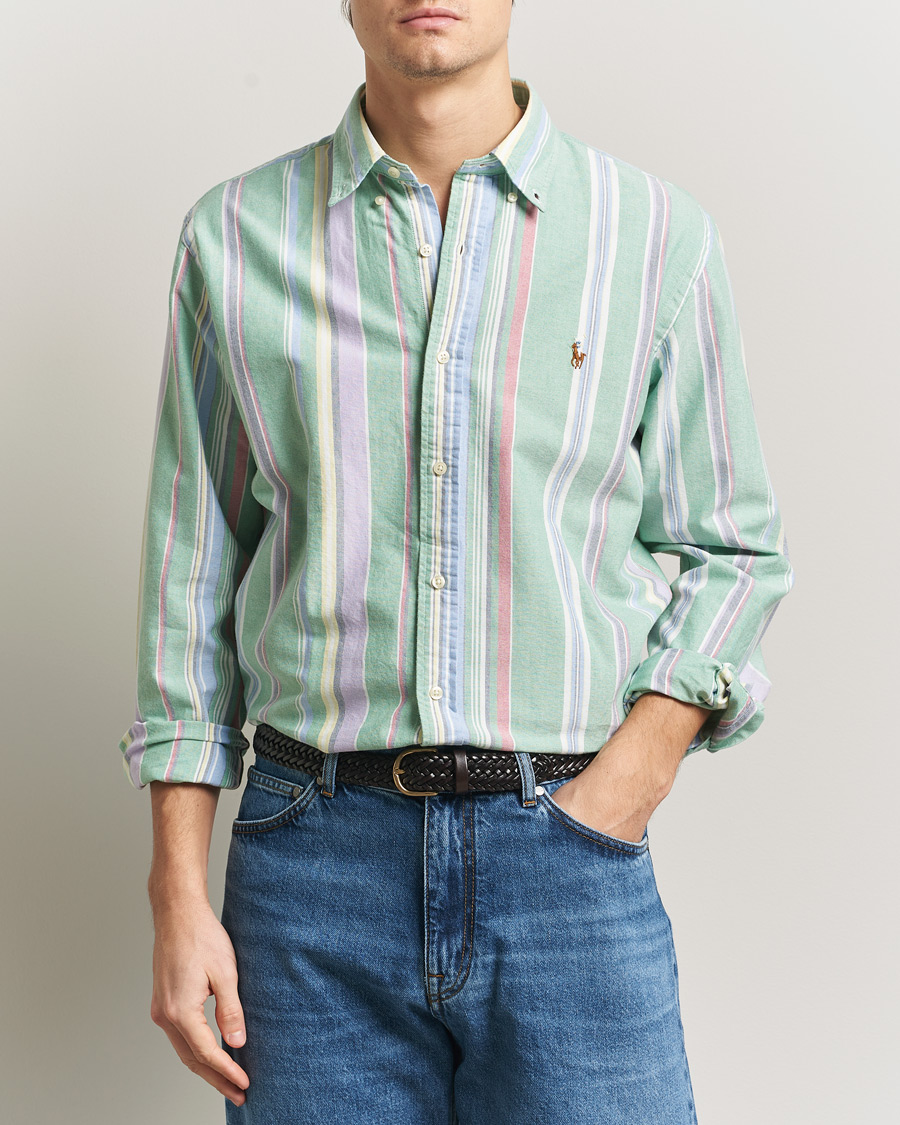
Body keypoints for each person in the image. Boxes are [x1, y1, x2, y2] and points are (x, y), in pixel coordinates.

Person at [117, 2, 795, 1122]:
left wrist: (625, 785)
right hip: (310, 869)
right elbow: (189, 580)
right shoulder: (234, 237)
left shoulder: (650, 235)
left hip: (567, 856)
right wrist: (176, 894)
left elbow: (734, 546)